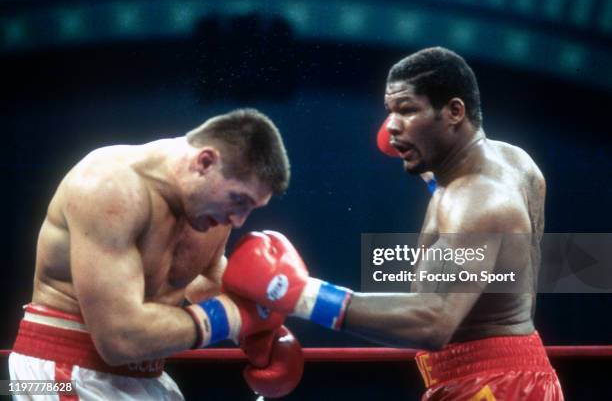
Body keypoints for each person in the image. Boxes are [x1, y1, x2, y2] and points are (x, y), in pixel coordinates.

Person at [221, 48, 565, 400]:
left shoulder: (472, 201)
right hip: (514, 373)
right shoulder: (515, 163)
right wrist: (431, 168)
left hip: (490, 385)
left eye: (408, 109)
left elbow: (433, 322)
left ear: (454, 112)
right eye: (391, 112)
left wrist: (300, 294)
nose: (392, 126)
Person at [9, 108, 303, 400]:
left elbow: (205, 283)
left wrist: (262, 334)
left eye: (250, 207)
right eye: (238, 200)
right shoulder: (109, 185)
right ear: (205, 162)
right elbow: (119, 339)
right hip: (63, 371)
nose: (239, 220)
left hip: (146, 375)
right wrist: (236, 316)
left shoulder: (212, 212)